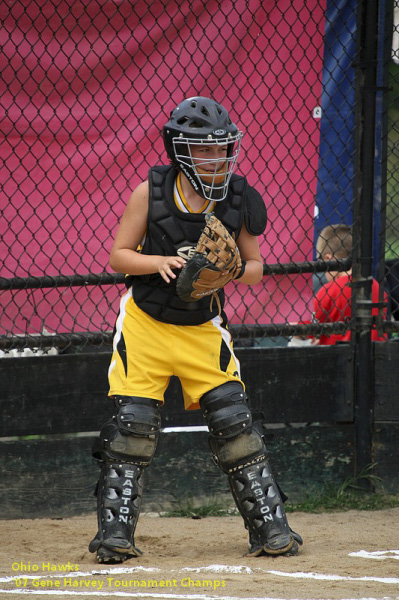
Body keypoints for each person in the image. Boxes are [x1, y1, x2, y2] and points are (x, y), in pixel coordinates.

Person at [88, 96, 302, 564]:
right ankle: (114, 536)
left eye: (223, 149)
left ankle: (272, 528)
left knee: (235, 422)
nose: (217, 159)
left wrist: (227, 272)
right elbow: (119, 256)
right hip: (146, 324)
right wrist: (160, 261)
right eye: (205, 150)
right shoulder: (151, 191)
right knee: (133, 429)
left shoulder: (237, 196)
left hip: (202, 326)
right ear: (179, 149)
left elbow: (256, 267)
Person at [313, 224, 387, 345]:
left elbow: (306, 330)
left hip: (334, 359)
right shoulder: (376, 286)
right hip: (376, 357)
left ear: (328, 259)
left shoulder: (329, 290)